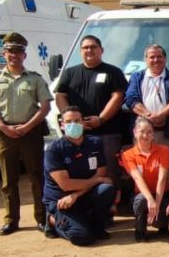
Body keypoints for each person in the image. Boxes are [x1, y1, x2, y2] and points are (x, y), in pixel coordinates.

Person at [0, 32, 52, 235]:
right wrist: (3, 127)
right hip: (4, 134)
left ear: (24, 55)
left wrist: (28, 126)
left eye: (19, 51)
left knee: (36, 177)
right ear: (4, 54)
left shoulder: (35, 79)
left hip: (30, 133)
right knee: (8, 180)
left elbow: (45, 106)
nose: (15, 55)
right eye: (10, 51)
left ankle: (41, 218)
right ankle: (11, 220)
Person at [54, 34, 128, 186]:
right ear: (80, 51)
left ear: (101, 50)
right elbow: (60, 96)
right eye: (85, 47)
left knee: (110, 169)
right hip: (77, 133)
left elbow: (118, 97)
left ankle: (110, 200)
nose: (89, 50)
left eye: (93, 47)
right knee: (79, 168)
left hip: (107, 131)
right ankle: (86, 200)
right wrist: (72, 120)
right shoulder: (69, 73)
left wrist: (101, 119)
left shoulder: (113, 72)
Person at [42, 106, 116, 246]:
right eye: (69, 121)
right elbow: (66, 184)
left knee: (106, 189)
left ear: (83, 122)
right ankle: (52, 221)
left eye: (77, 120)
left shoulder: (95, 143)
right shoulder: (54, 150)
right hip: (61, 201)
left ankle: (97, 227)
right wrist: (97, 180)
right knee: (82, 237)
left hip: (80, 195)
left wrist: (76, 195)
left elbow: (100, 174)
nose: (73, 125)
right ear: (62, 125)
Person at [124, 44, 169, 179]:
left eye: (159, 56)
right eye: (152, 57)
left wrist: (161, 115)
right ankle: (145, 197)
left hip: (168, 132)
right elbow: (130, 99)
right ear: (145, 59)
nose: (156, 60)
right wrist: (148, 116)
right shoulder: (136, 77)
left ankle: (168, 198)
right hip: (143, 132)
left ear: (165, 59)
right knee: (144, 168)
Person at [120, 117, 169, 241]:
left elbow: (162, 179)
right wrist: (150, 200)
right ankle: (140, 230)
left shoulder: (164, 150)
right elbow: (137, 178)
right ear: (135, 132)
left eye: (149, 132)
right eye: (142, 131)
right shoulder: (128, 155)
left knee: (161, 217)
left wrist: (156, 205)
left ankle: (162, 225)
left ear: (153, 134)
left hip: (162, 195)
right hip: (141, 195)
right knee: (142, 200)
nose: (145, 135)